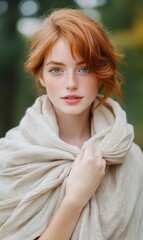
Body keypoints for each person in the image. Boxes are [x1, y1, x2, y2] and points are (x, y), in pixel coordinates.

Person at [0, 8, 143, 240]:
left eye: (84, 69)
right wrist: (75, 199)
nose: (71, 83)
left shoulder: (131, 158)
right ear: (41, 76)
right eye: (56, 70)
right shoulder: (10, 159)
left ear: (100, 73)